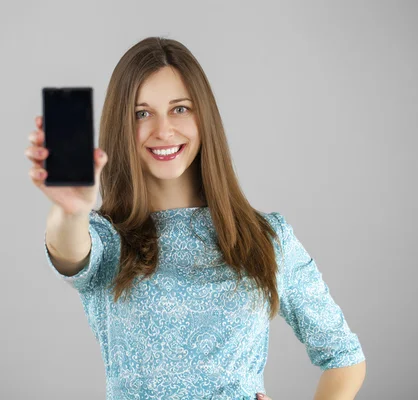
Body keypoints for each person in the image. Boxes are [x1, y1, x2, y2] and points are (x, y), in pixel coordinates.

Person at [25, 37, 366, 400]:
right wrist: (70, 211)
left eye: (180, 109)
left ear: (204, 116)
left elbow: (344, 357)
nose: (163, 130)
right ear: (121, 125)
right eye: (142, 113)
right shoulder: (108, 240)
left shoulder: (267, 238)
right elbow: (70, 250)